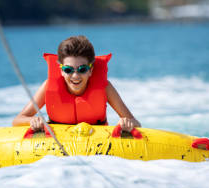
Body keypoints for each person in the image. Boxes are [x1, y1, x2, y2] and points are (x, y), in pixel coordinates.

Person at [13, 35, 141, 132]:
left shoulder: (105, 87)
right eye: (68, 70)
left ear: (91, 70)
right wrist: (33, 120)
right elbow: (17, 120)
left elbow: (136, 122)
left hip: (97, 147)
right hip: (58, 148)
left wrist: (127, 123)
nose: (75, 76)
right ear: (61, 71)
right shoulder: (48, 86)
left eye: (82, 69)